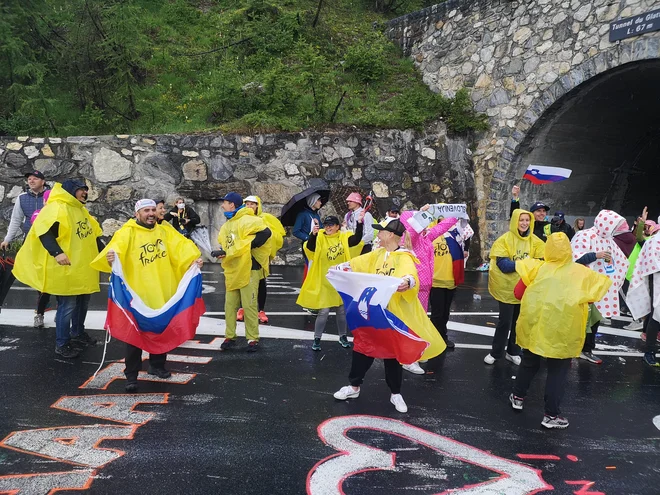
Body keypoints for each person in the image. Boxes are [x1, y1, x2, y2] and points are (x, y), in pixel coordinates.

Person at [332, 219, 447, 413]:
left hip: (390, 317)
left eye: (381, 231)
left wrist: (407, 282)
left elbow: (411, 276)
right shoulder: (376, 254)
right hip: (371, 314)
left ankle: (396, 394)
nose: (378, 234)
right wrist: (338, 269)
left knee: (392, 354)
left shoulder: (404, 257)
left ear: (391, 234)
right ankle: (353, 387)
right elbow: (354, 264)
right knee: (363, 348)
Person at [91, 199, 203, 392]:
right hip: (137, 294)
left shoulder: (164, 230)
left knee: (161, 329)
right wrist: (111, 259)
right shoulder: (127, 232)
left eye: (153, 210)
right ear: (137, 213)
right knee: (134, 335)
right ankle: (131, 375)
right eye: (146, 210)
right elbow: (115, 251)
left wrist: (194, 260)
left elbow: (181, 248)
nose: (151, 213)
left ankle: (157, 366)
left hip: (161, 290)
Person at [509, 233, 611, 429]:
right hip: (563, 330)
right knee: (558, 371)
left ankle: (517, 397)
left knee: (529, 362)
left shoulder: (536, 268)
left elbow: (518, 293)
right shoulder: (581, 273)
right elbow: (592, 297)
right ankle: (551, 415)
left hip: (535, 325)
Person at [13, 180, 103, 358]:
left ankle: (78, 333)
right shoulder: (58, 207)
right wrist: (57, 253)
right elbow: (44, 231)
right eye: (81, 190)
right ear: (71, 191)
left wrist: (106, 256)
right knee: (68, 305)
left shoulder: (80, 210)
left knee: (83, 302)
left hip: (83, 267)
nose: (85, 193)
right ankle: (62, 343)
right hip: (65, 267)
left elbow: (93, 236)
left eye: (86, 189)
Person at [398, 207, 457, 374]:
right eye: (419, 220)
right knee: (411, 322)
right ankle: (408, 359)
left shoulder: (425, 237)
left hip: (423, 288)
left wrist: (456, 214)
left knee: (418, 321)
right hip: (412, 287)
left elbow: (440, 227)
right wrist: (426, 214)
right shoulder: (410, 239)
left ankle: (414, 352)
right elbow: (414, 228)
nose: (424, 224)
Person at [484, 209, 544, 365]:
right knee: (505, 322)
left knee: (520, 322)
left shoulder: (535, 241)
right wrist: (526, 264)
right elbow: (503, 264)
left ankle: (513, 351)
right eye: (521, 220)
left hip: (525, 288)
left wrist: (523, 265)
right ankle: (496, 353)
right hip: (507, 289)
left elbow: (542, 261)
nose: (524, 223)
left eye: (527, 220)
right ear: (515, 221)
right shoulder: (504, 240)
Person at [296, 215, 363, 351]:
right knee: (323, 311)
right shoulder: (319, 236)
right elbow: (310, 248)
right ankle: (317, 338)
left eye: (331, 225)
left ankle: (343, 336)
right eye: (326, 225)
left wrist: (360, 223)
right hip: (324, 279)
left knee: (341, 310)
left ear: (337, 227)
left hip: (340, 280)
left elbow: (356, 240)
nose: (328, 227)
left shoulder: (343, 237)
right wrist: (313, 235)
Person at [571, 210, 630, 364]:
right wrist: (596, 255)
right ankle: (573, 347)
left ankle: (587, 349)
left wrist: (616, 277)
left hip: (600, 287)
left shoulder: (610, 240)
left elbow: (621, 260)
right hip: (584, 286)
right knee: (580, 319)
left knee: (595, 319)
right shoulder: (584, 235)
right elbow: (575, 257)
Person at [215, 192, 271, 352]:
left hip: (249, 268)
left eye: (224, 203)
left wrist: (247, 246)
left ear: (232, 204)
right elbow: (228, 245)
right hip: (233, 269)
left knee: (249, 305)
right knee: (230, 305)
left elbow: (266, 233)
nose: (222, 206)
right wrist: (222, 252)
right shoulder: (227, 225)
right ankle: (229, 336)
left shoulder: (248, 220)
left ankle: (252, 338)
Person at [1, 170, 51, 328]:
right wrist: (7, 239)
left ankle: (44, 308)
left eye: (35, 178)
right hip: (30, 242)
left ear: (42, 181)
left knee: (48, 276)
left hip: (51, 242)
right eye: (29, 179)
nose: (31, 181)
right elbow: (16, 219)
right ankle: (40, 310)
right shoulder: (22, 198)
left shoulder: (52, 196)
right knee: (36, 276)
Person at [237, 196, 286, 324]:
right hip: (244, 253)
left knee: (261, 281)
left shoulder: (265, 218)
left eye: (252, 204)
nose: (249, 207)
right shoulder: (240, 219)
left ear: (257, 205)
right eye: (247, 204)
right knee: (243, 281)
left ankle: (261, 310)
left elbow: (275, 235)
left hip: (261, 256)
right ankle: (242, 308)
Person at [626, 230, 660, 366]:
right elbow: (652, 263)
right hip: (657, 282)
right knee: (656, 315)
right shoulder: (654, 241)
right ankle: (649, 352)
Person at [429, 226, 466, 350]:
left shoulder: (455, 234)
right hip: (435, 282)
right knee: (436, 314)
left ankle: (443, 337)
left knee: (445, 313)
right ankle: (434, 340)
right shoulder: (430, 234)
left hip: (450, 280)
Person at [293, 193, 322, 282]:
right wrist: (308, 238)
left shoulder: (316, 215)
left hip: (317, 243)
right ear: (313, 202)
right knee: (309, 264)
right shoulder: (302, 214)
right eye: (319, 200)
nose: (320, 203)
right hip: (307, 244)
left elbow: (321, 229)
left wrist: (318, 224)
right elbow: (296, 231)